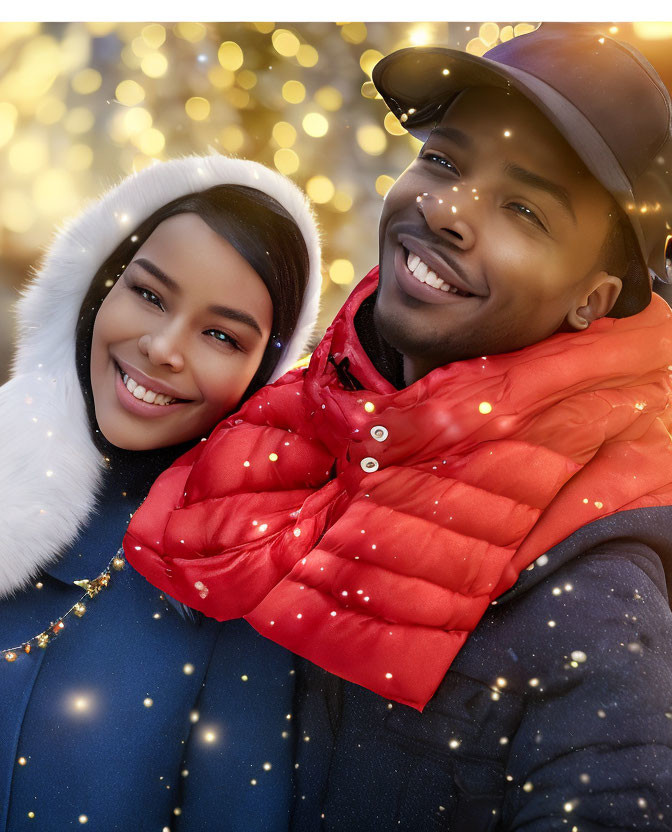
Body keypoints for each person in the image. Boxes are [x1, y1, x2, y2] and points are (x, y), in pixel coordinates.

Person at [125, 25, 672, 830]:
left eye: (523, 208)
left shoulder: (594, 596)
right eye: (444, 161)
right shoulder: (278, 423)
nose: (446, 209)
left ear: (591, 298)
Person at [0, 154, 322, 831]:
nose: (163, 347)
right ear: (95, 287)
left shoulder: (234, 587)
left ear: (261, 374)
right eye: (148, 294)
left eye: (220, 335)